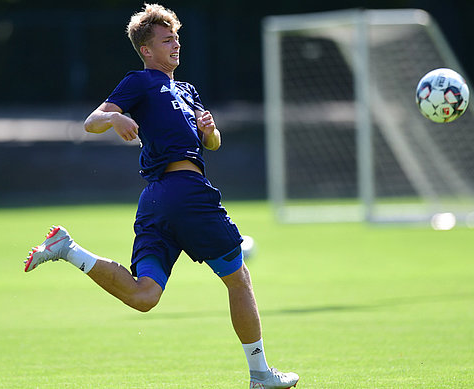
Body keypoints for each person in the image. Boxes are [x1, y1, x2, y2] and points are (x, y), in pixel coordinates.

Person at [24, 3, 299, 388]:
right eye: (167, 39)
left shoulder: (187, 91)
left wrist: (211, 131)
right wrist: (116, 117)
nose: (176, 45)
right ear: (146, 50)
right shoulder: (140, 81)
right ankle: (260, 375)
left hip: (157, 200)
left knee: (144, 296)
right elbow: (91, 122)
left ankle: (67, 249)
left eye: (177, 38)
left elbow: (213, 145)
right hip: (184, 193)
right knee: (239, 280)